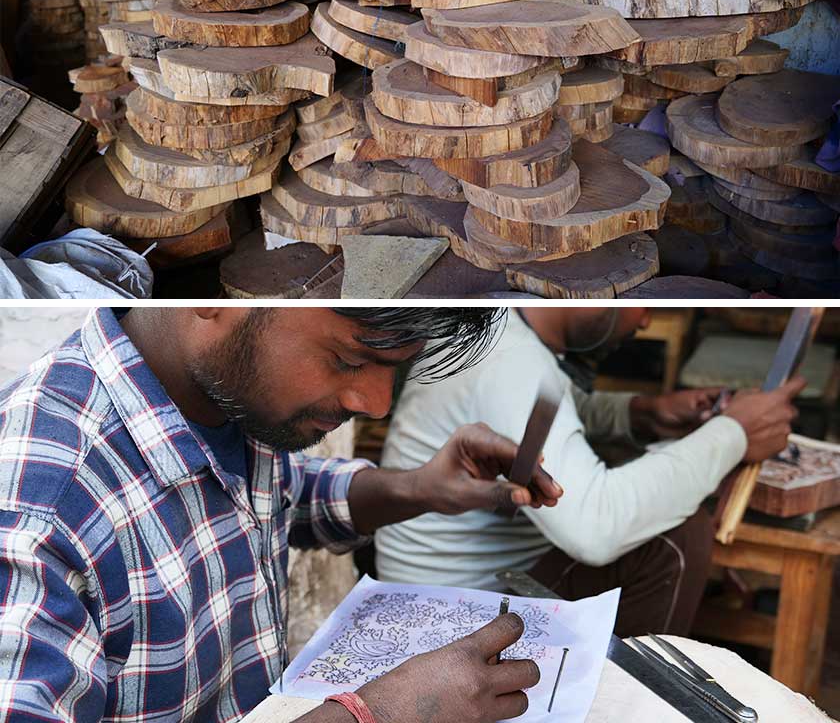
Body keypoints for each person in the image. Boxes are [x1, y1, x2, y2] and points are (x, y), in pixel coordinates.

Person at [0, 306, 562, 723]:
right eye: (348, 359)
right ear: (221, 303)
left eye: (398, 370)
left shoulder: (232, 402)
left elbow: (278, 500)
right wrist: (381, 713)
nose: (376, 403)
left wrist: (419, 489)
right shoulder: (39, 501)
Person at [376, 308, 805, 637]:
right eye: (640, 307)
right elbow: (596, 531)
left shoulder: (494, 329)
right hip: (456, 617)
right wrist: (734, 434)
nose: (646, 320)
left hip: (438, 593)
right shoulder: (512, 361)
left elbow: (553, 410)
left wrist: (642, 414)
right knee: (674, 537)